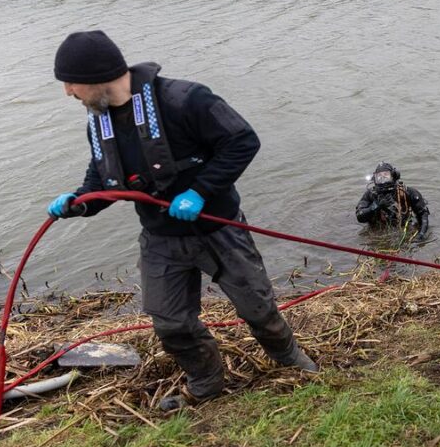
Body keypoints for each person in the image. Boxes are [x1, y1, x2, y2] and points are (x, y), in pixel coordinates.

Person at [46, 30, 317, 411]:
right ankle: (206, 381)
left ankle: (288, 356)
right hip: (160, 238)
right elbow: (102, 180)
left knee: (257, 307)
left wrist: (200, 191)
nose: (68, 93)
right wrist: (79, 202)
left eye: (70, 83)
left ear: (96, 77)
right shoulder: (98, 121)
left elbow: (242, 141)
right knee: (170, 323)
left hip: (218, 228)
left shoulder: (186, 100)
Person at [355, 162, 430, 241]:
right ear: (375, 179)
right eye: (379, 177)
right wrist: (376, 206)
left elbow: (423, 214)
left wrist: (421, 234)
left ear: (394, 176)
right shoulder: (370, 194)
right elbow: (360, 217)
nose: (383, 180)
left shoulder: (408, 192)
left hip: (403, 226)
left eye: (386, 176)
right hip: (379, 230)